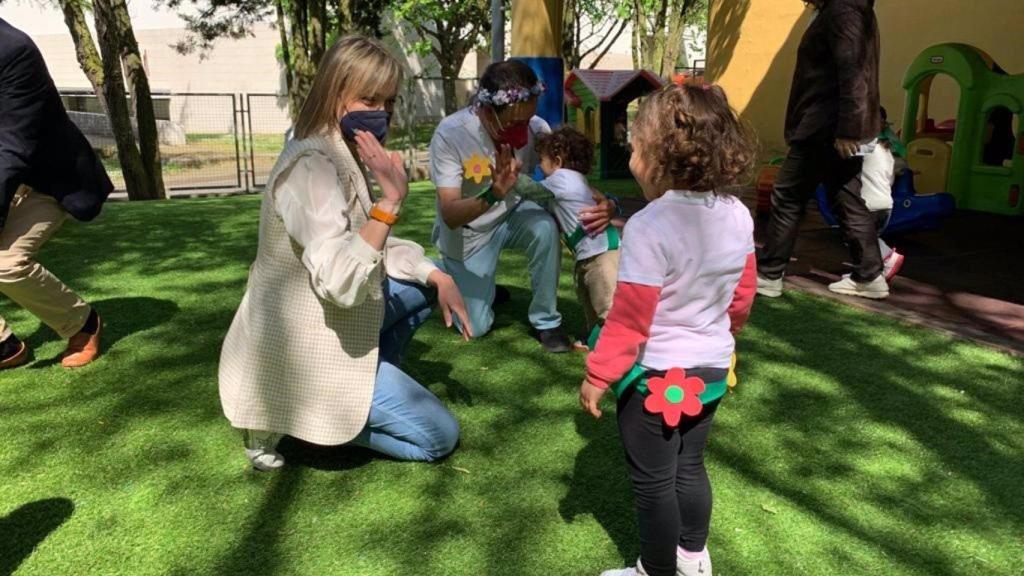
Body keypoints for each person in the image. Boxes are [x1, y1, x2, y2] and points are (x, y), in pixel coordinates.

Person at [218, 36, 471, 470]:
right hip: (304, 345)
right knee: (438, 438)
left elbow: (370, 242)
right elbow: (339, 284)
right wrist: (390, 202)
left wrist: (438, 276)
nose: (382, 112)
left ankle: (360, 386)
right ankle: (319, 418)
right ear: (335, 94)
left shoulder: (339, 149)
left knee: (428, 279)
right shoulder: (311, 166)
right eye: (368, 98)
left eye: (389, 101)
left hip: (330, 318)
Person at [579, 83, 758, 576]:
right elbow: (743, 294)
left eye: (634, 148)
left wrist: (597, 375)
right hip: (711, 370)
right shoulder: (737, 214)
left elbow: (631, 318)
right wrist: (726, 334)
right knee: (690, 467)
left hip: (654, 375)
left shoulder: (649, 225)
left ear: (659, 158)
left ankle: (654, 570)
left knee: (654, 484)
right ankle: (693, 558)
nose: (630, 157)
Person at [428, 60, 616, 353]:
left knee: (544, 225)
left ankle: (546, 321)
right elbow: (450, 213)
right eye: (515, 123)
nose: (523, 131)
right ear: (488, 112)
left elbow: (567, 174)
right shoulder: (450, 135)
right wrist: (493, 193)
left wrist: (605, 201)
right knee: (475, 327)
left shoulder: (535, 127)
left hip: (513, 214)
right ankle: (446, 278)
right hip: (469, 233)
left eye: (527, 120)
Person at [756, 0, 887, 299]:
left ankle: (770, 274)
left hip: (825, 126)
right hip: (836, 125)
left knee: (787, 195)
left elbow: (852, 73)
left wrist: (848, 130)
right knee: (846, 197)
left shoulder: (843, 12)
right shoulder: (851, 10)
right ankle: (869, 276)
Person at [0, 18, 111, 371]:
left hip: (44, 178)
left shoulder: (14, 51)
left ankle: (82, 323)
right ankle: (5, 346)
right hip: (8, 170)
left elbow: (12, 148)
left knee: (6, 263)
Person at [489, 126, 619, 346]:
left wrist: (512, 177)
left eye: (542, 160)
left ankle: (616, 346)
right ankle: (594, 338)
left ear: (557, 161)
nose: (539, 166)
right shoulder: (577, 180)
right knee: (589, 296)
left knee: (606, 302)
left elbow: (534, 192)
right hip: (594, 250)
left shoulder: (562, 179)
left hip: (600, 254)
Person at [859, 107, 906, 281]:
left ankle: (887, 257)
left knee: (859, 236)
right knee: (866, 237)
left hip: (869, 202)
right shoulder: (887, 148)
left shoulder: (868, 146)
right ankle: (871, 273)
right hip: (885, 204)